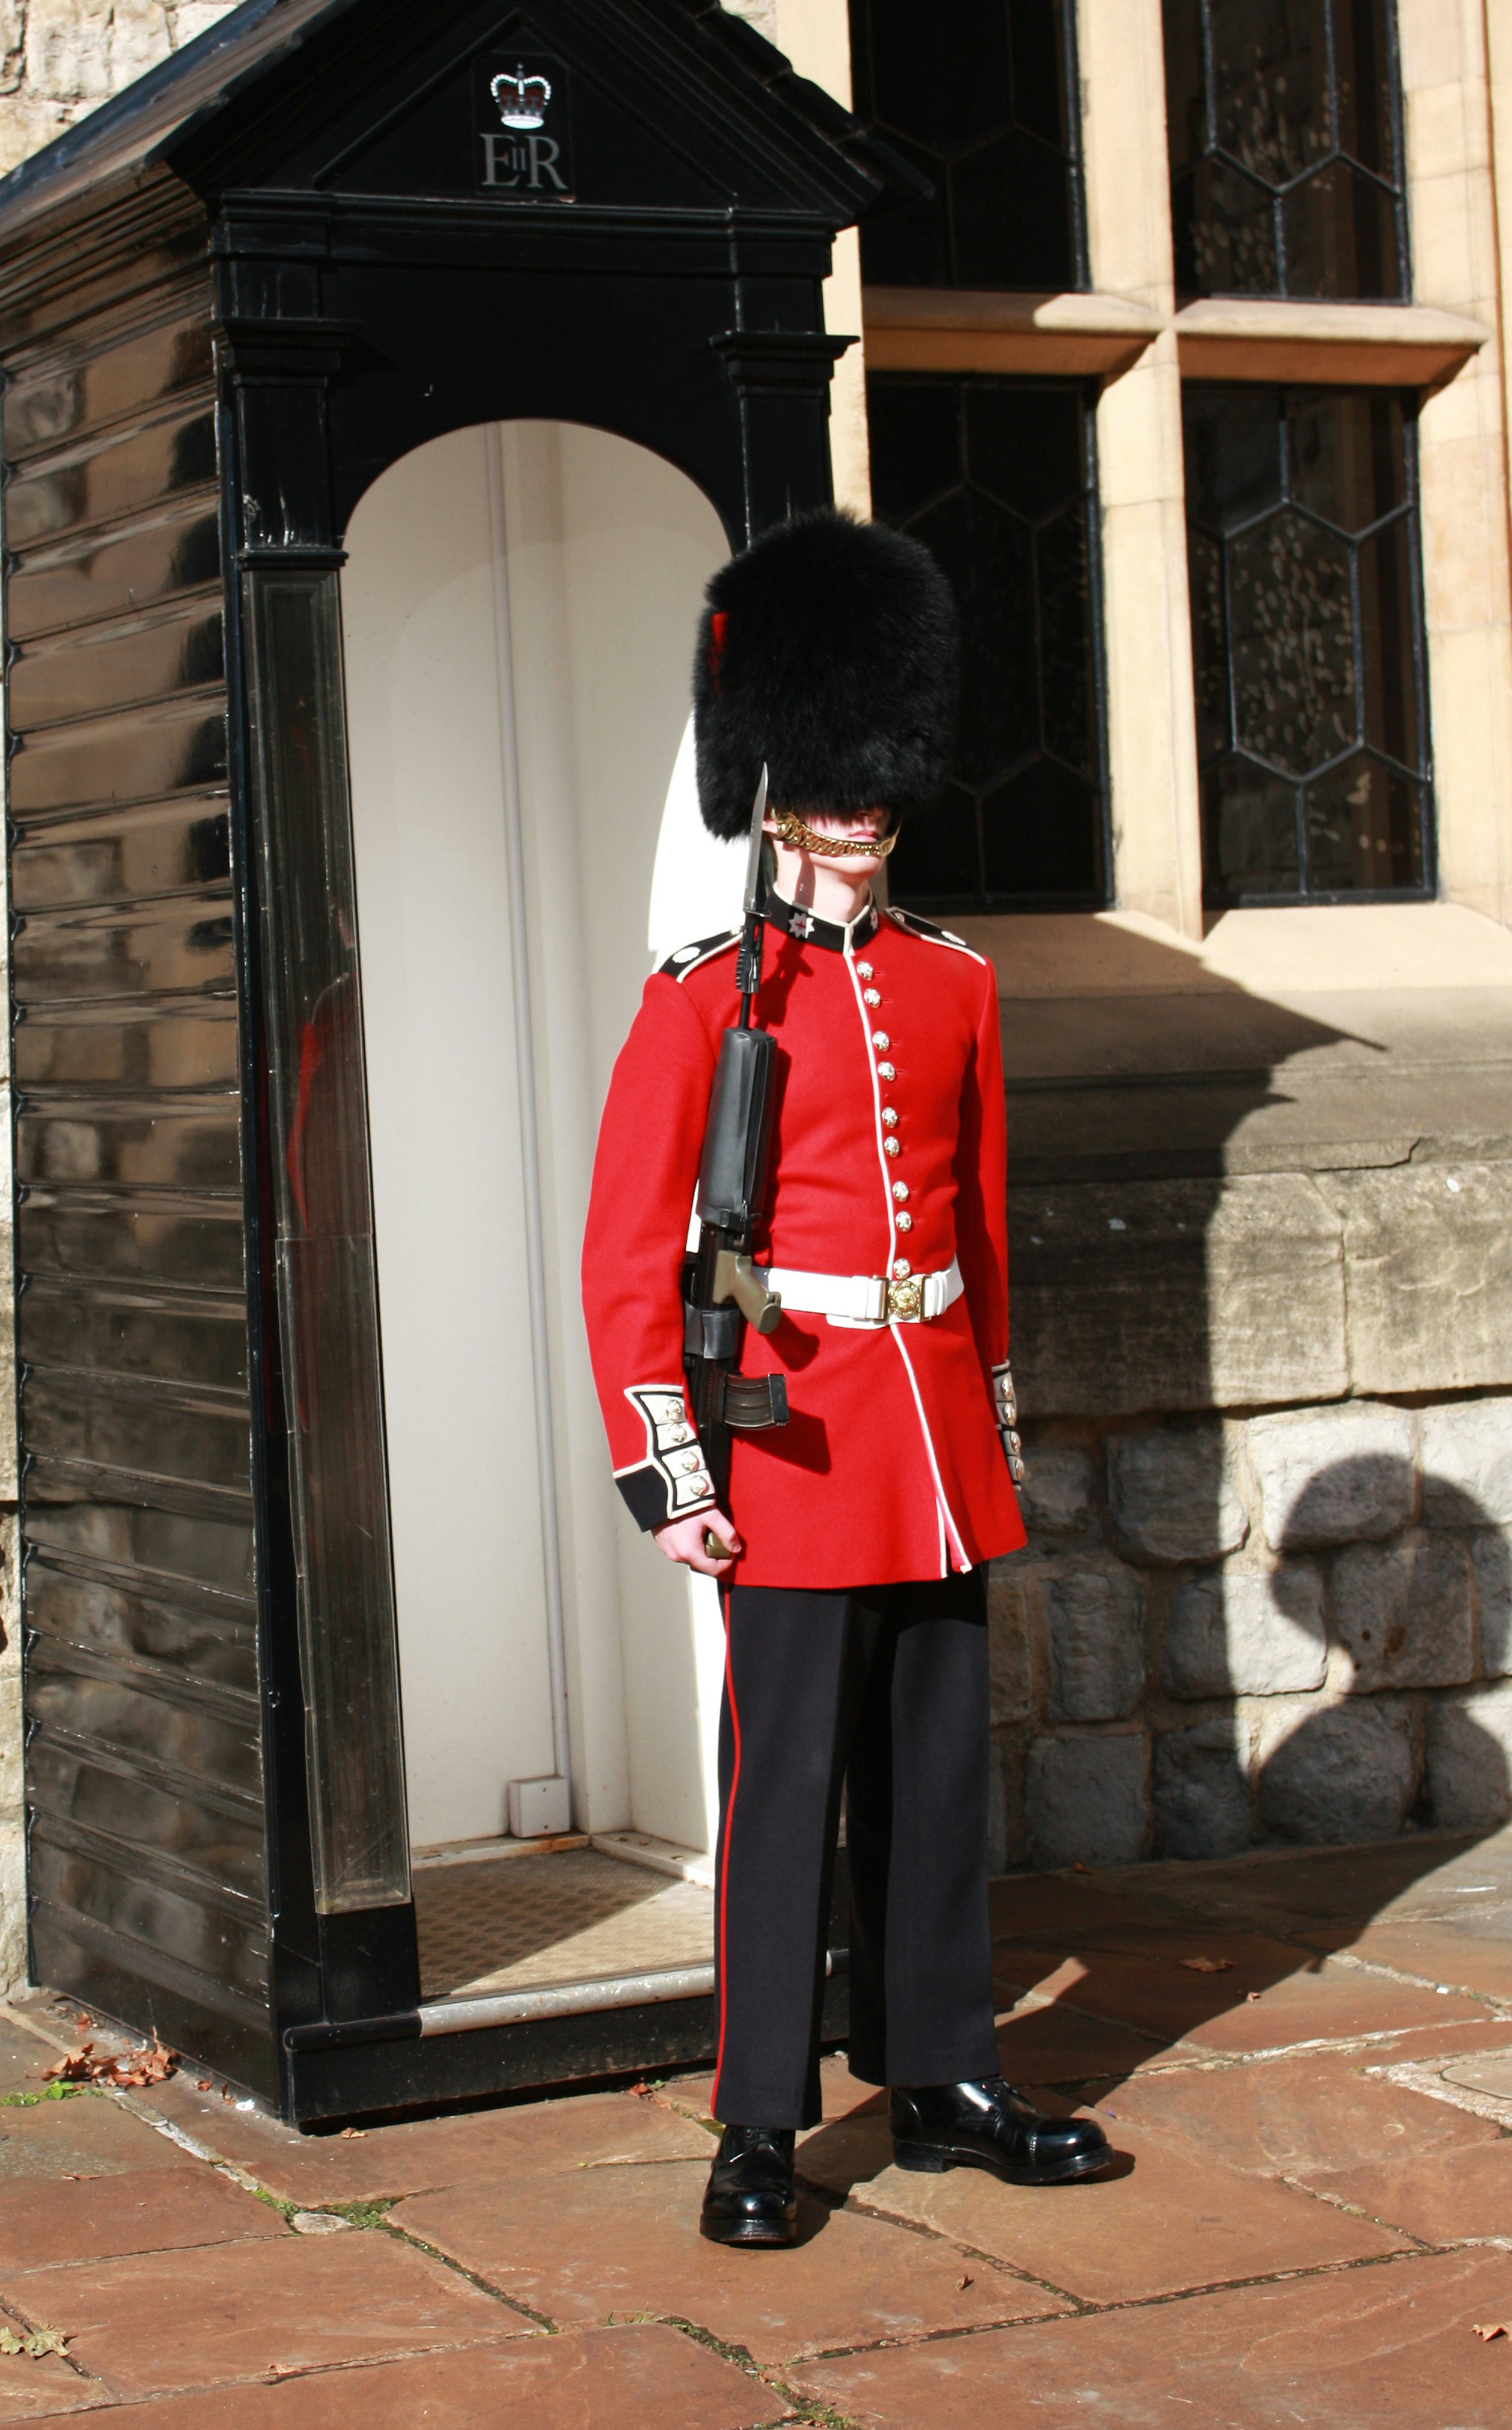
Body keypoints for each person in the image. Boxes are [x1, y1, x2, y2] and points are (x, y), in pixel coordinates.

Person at [581, 510, 1110, 2246]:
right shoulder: (701, 1004)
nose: (862, 812)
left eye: (879, 776)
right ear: (780, 778)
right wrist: (673, 1464)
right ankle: (756, 2121)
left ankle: (946, 2070)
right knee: (784, 1783)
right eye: (832, 777)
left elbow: (982, 1229)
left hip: (934, 1431)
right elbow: (625, 1257)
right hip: (793, 1440)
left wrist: (993, 1422)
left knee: (938, 1774)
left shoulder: (958, 988)